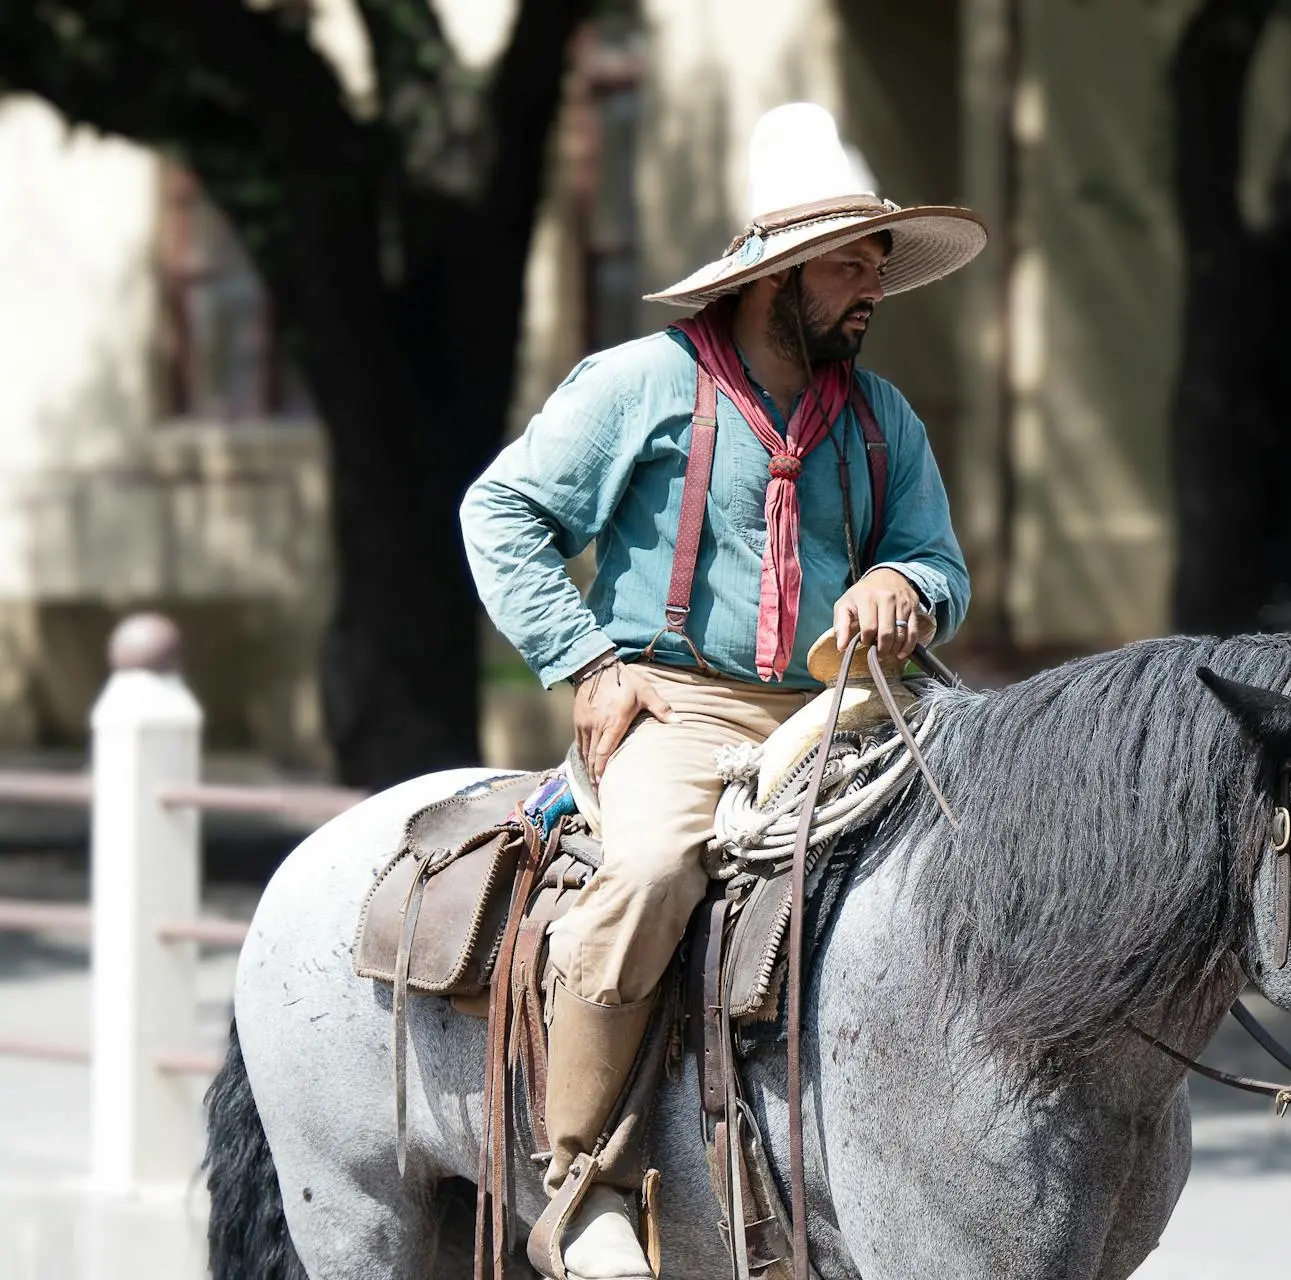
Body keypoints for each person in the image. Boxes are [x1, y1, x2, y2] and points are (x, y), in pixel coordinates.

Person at [460, 102, 983, 1279]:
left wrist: (905, 583)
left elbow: (942, 561)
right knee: (647, 872)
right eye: (852, 262)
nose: (873, 288)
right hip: (681, 709)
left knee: (981, 859)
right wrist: (585, 659)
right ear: (778, 272)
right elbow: (499, 512)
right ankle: (580, 1180)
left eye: (879, 263)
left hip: (841, 711)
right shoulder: (638, 383)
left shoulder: (884, 418)